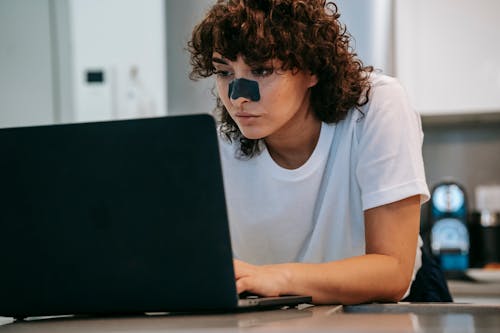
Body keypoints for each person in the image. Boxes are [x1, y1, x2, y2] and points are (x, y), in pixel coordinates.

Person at [188, 0, 451, 304]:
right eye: (224, 72)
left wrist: (280, 277)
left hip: (397, 304)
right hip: (286, 307)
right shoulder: (216, 146)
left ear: (312, 69)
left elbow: (392, 271)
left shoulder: (376, 106)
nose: (238, 97)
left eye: (261, 70)